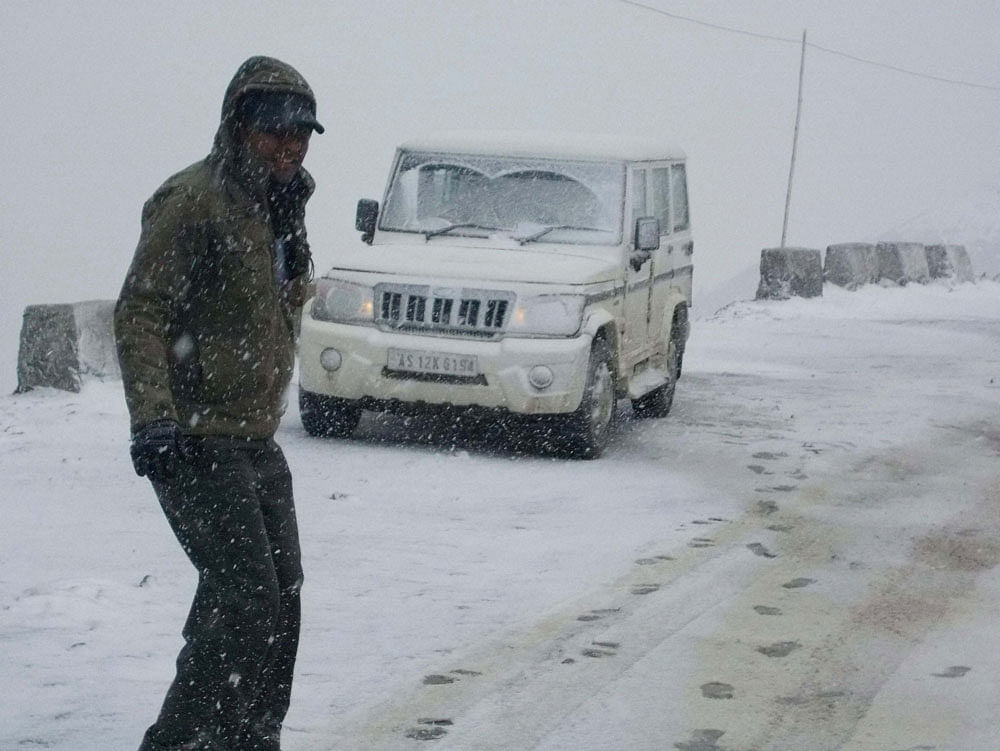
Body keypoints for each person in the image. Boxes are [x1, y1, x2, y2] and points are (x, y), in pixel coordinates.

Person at [114, 56, 323, 751]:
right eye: (274, 130)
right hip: (197, 437)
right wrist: (153, 418)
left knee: (281, 598)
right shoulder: (194, 199)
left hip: (255, 436)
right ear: (239, 125)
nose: (290, 144)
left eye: (302, 133)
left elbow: (279, 306)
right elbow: (141, 310)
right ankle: (179, 741)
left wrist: (291, 232)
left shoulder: (281, 205)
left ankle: (250, 736)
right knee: (244, 601)